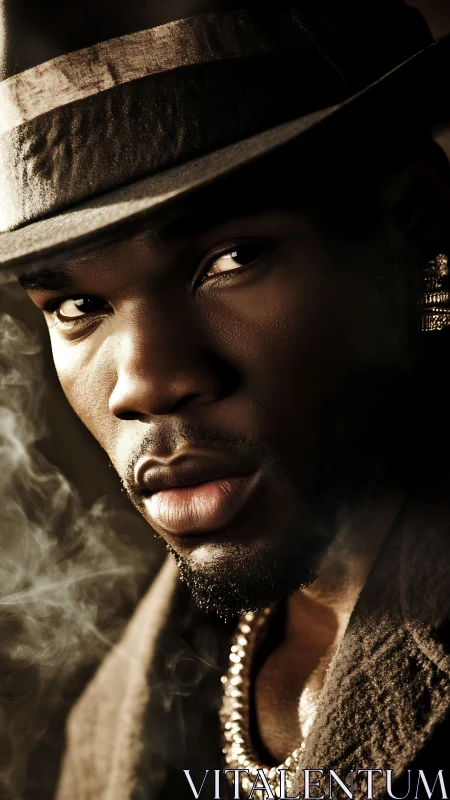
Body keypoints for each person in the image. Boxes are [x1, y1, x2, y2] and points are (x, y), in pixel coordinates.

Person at [1, 1, 450, 798]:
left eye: (231, 258)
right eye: (76, 308)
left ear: (411, 225)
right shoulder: (112, 727)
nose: (144, 384)